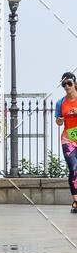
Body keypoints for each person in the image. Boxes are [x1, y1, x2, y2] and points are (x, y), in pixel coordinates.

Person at [55, 71, 77, 213]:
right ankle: (76, 201)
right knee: (73, 168)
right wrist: (59, 120)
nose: (67, 86)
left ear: (74, 83)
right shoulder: (60, 103)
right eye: (64, 84)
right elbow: (57, 121)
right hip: (68, 139)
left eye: (69, 83)